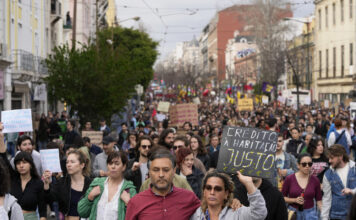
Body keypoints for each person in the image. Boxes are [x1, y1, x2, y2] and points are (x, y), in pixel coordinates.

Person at [125, 147, 200, 220]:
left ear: (174, 171)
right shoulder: (136, 202)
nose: (161, 175)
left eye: (166, 170)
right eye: (156, 170)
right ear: (149, 172)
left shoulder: (189, 198)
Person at [78, 151, 136, 220]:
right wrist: (90, 197)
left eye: (117, 164)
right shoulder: (97, 184)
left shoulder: (129, 190)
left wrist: (128, 203)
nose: (113, 166)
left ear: (124, 166)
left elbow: (135, 217)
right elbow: (82, 212)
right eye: (110, 163)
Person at [191, 171, 267, 220]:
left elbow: (259, 214)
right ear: (204, 191)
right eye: (208, 188)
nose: (212, 192)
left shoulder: (237, 213)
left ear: (226, 193)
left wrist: (248, 183)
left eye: (218, 189)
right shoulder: (196, 215)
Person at [42, 149, 92, 219]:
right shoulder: (62, 182)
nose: (68, 165)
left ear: (82, 165)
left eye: (72, 162)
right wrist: (46, 184)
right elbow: (50, 200)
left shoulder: (90, 184)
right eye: (67, 162)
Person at [282, 153, 322, 220]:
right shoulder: (289, 179)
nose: (307, 166)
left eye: (310, 164)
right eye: (304, 164)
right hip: (293, 213)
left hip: (310, 214)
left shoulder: (315, 180)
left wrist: (324, 216)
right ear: (298, 165)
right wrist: (294, 200)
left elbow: (319, 201)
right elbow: (282, 197)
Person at [321, 144, 356, 220]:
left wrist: (352, 191)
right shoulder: (328, 174)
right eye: (329, 158)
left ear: (340, 156)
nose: (329, 161)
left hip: (353, 213)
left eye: (332, 158)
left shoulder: (354, 168)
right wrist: (324, 218)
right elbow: (327, 198)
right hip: (337, 216)